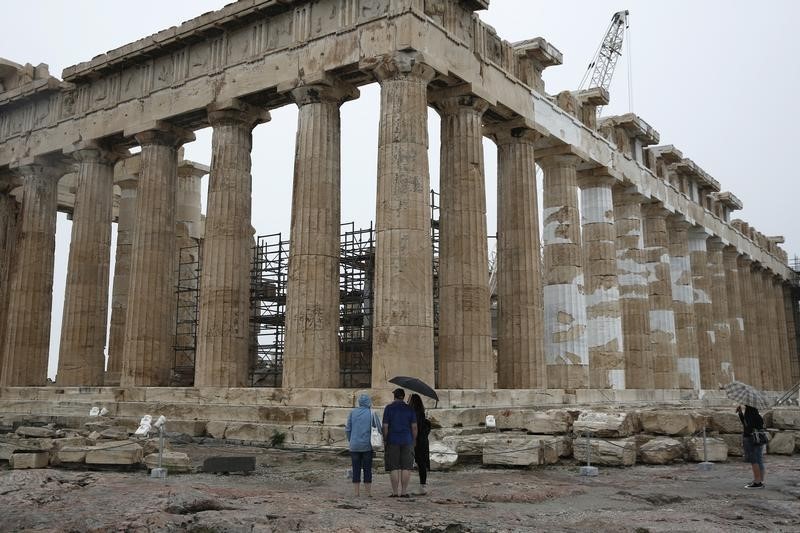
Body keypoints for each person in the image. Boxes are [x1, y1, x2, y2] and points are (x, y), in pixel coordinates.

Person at [382, 388, 417, 497]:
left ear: (395, 396)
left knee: (394, 467)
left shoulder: (389, 408)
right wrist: (414, 439)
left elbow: (385, 426)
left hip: (393, 439)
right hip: (407, 439)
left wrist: (385, 439)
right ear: (403, 396)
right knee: (406, 467)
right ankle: (404, 491)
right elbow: (414, 427)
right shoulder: (410, 409)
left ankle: (395, 492)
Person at [345, 393, 381, 497]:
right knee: (367, 468)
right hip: (367, 446)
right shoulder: (371, 413)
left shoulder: (352, 413)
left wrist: (351, 440)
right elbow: (378, 428)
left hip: (354, 445)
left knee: (355, 468)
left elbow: (348, 429)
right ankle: (368, 492)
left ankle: (356, 492)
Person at [737, 404, 766, 489]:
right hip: (758, 438)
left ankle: (757, 482)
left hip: (751, 438)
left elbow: (747, 426)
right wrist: (740, 414)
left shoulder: (750, 412)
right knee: (759, 459)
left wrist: (742, 414)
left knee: (754, 460)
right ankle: (760, 480)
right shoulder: (756, 413)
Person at [408, 393, 431, 495]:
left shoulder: (415, 414)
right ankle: (423, 485)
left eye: (409, 399)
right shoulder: (420, 412)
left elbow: (415, 428)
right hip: (422, 440)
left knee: (421, 463)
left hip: (418, 441)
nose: (407, 401)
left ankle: (423, 487)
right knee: (421, 463)